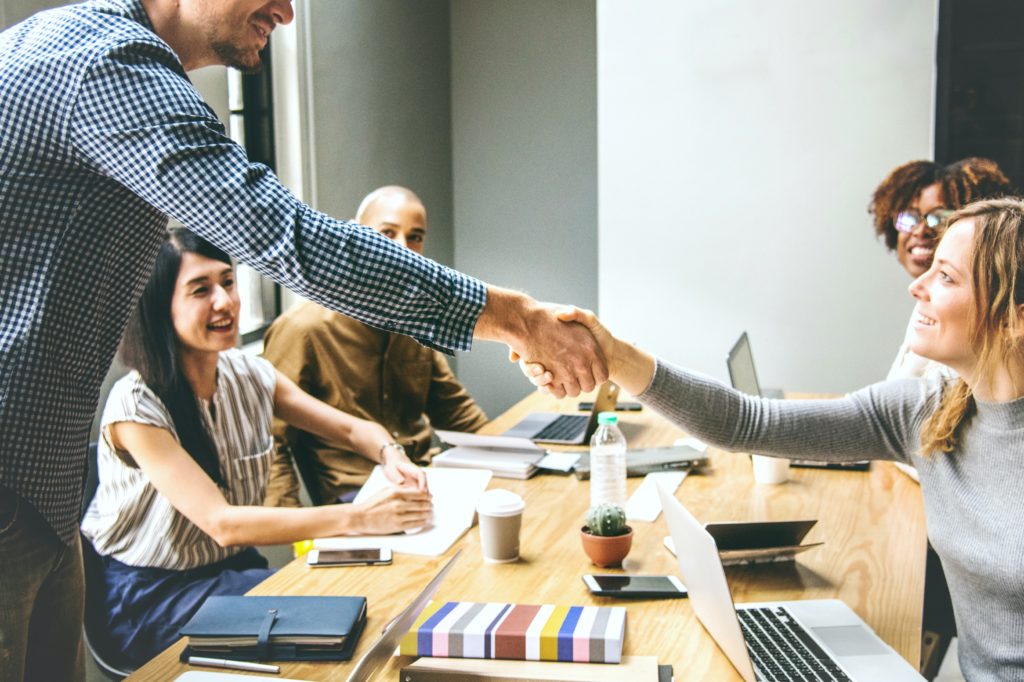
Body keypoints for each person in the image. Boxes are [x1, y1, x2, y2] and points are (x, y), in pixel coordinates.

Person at [0, 1, 604, 676]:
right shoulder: (106, 61)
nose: (288, 11)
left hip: (42, 489)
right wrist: (518, 319)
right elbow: (287, 237)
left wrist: (384, 450)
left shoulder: (128, 72)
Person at [526, 197, 1024, 680]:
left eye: (946, 276)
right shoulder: (927, 410)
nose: (917, 286)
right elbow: (746, 423)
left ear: (1013, 318)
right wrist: (614, 356)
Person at [79, 229, 431, 666]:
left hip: (229, 573)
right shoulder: (135, 407)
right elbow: (223, 523)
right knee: (341, 624)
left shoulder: (247, 373)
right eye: (200, 290)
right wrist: (362, 518)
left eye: (227, 282)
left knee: (365, 602)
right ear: (157, 308)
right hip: (150, 598)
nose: (224, 301)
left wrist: (390, 453)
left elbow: (353, 432)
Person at [263, 186, 488, 507]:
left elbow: (457, 414)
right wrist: (292, 525)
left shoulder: (413, 319)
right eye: (387, 233)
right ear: (355, 237)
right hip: (355, 499)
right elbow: (271, 439)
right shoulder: (304, 329)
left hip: (427, 481)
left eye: (415, 237)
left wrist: (513, 460)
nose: (403, 250)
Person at [868, 157, 1013, 379]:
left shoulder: (964, 333)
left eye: (940, 217)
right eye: (909, 217)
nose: (920, 230)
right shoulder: (923, 308)